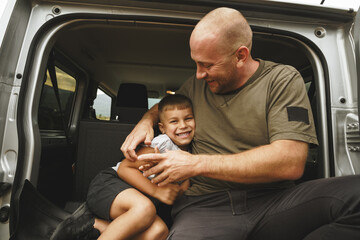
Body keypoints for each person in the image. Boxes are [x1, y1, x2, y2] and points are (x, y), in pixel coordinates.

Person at [121, 7, 360, 240]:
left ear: (240, 56)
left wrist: (196, 163)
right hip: (204, 206)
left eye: (207, 65)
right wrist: (146, 120)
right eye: (196, 63)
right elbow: (167, 107)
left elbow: (290, 162)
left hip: (275, 201)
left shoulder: (281, 80)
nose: (199, 74)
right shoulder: (196, 87)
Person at [51, 94, 194, 240]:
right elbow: (124, 168)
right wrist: (157, 191)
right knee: (145, 209)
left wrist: (176, 191)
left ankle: (94, 225)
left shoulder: (192, 154)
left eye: (188, 118)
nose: (183, 125)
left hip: (136, 202)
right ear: (162, 128)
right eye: (174, 121)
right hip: (110, 185)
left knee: (159, 232)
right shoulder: (163, 143)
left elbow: (182, 187)